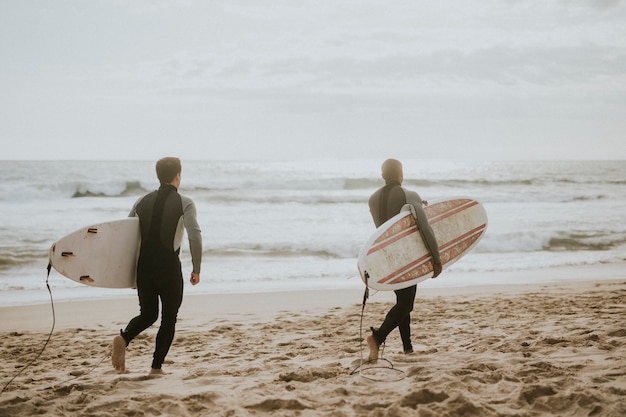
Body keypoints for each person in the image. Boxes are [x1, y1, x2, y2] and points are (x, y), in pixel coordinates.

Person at [112, 157, 202, 375]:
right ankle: (155, 368)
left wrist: (130, 273)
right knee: (168, 317)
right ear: (178, 176)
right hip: (168, 266)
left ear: (158, 175)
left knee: (148, 314)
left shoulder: (141, 201)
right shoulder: (185, 202)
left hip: (144, 267)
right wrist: (196, 268)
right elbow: (195, 236)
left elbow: (127, 236)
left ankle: (124, 338)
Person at [366, 158, 442, 361]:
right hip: (406, 256)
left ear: (382, 175)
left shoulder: (372, 199)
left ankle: (407, 348)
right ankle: (378, 337)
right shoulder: (409, 194)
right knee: (406, 304)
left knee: (402, 300)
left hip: (387, 256)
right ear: (401, 174)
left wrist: (417, 206)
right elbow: (425, 228)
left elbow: (392, 222)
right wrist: (436, 259)